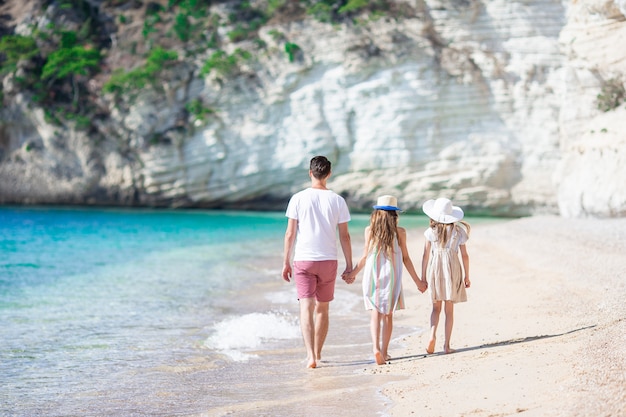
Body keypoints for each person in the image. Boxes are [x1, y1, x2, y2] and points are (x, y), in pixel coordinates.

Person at [282, 155, 353, 369]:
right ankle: (319, 353)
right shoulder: (337, 200)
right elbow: (345, 236)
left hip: (303, 259)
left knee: (306, 307)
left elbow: (290, 234)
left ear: (310, 173)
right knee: (323, 309)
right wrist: (350, 265)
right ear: (329, 174)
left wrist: (285, 261)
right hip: (328, 260)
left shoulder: (297, 198)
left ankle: (310, 356)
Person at [346, 195, 427, 365]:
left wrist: (353, 273)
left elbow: (364, 257)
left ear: (376, 213)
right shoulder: (400, 232)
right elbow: (406, 259)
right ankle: (384, 351)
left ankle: (375, 348)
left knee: (375, 313)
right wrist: (418, 281)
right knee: (388, 315)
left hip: (372, 275)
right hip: (392, 276)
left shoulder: (370, 231)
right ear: (395, 215)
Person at [421, 197, 471, 354]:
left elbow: (425, 255)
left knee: (436, 308)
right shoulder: (458, 232)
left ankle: (431, 336)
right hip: (453, 268)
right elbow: (465, 256)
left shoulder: (431, 232)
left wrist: (423, 277)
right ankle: (446, 345)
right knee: (449, 310)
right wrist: (467, 276)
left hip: (435, 268)